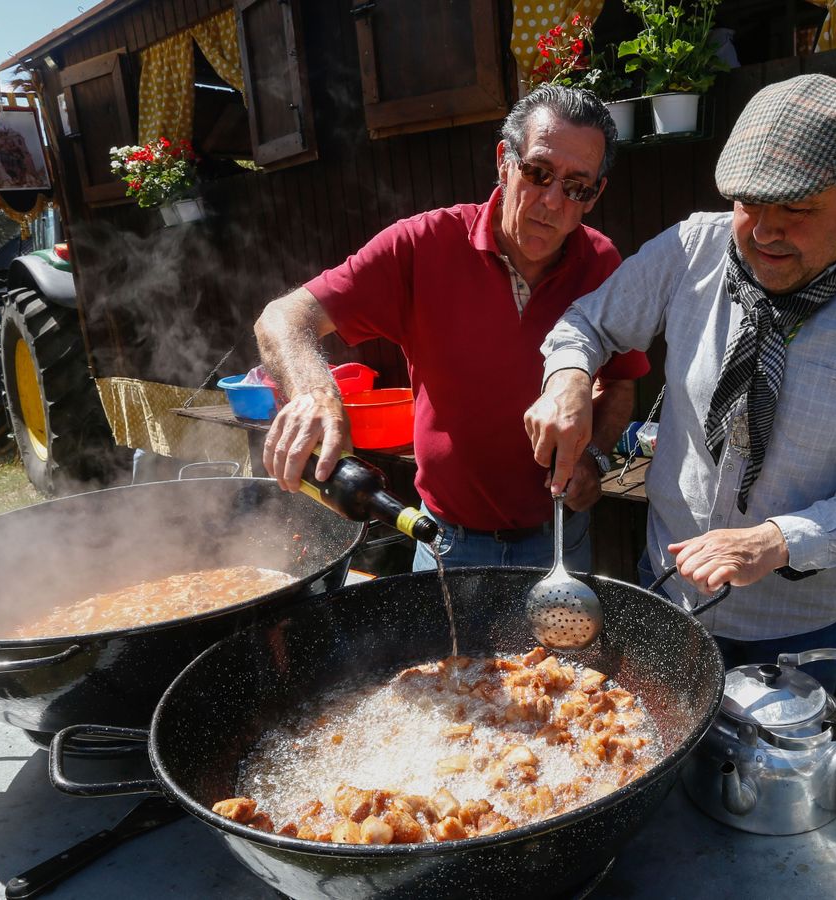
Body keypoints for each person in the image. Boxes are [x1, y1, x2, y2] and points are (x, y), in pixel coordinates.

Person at [525, 74, 836, 677]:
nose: (763, 231)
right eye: (748, 203)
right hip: (669, 590)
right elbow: (587, 326)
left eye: (796, 209)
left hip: (800, 621)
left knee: (767, 773)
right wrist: (568, 376)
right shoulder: (691, 249)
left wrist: (777, 540)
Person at [256, 86, 648, 572]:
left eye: (576, 187)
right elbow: (282, 317)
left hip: (559, 538)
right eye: (538, 172)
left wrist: (594, 455)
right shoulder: (423, 245)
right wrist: (314, 391)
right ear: (505, 161)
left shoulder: (602, 263)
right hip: (448, 542)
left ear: (595, 196)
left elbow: (621, 379)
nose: (552, 201)